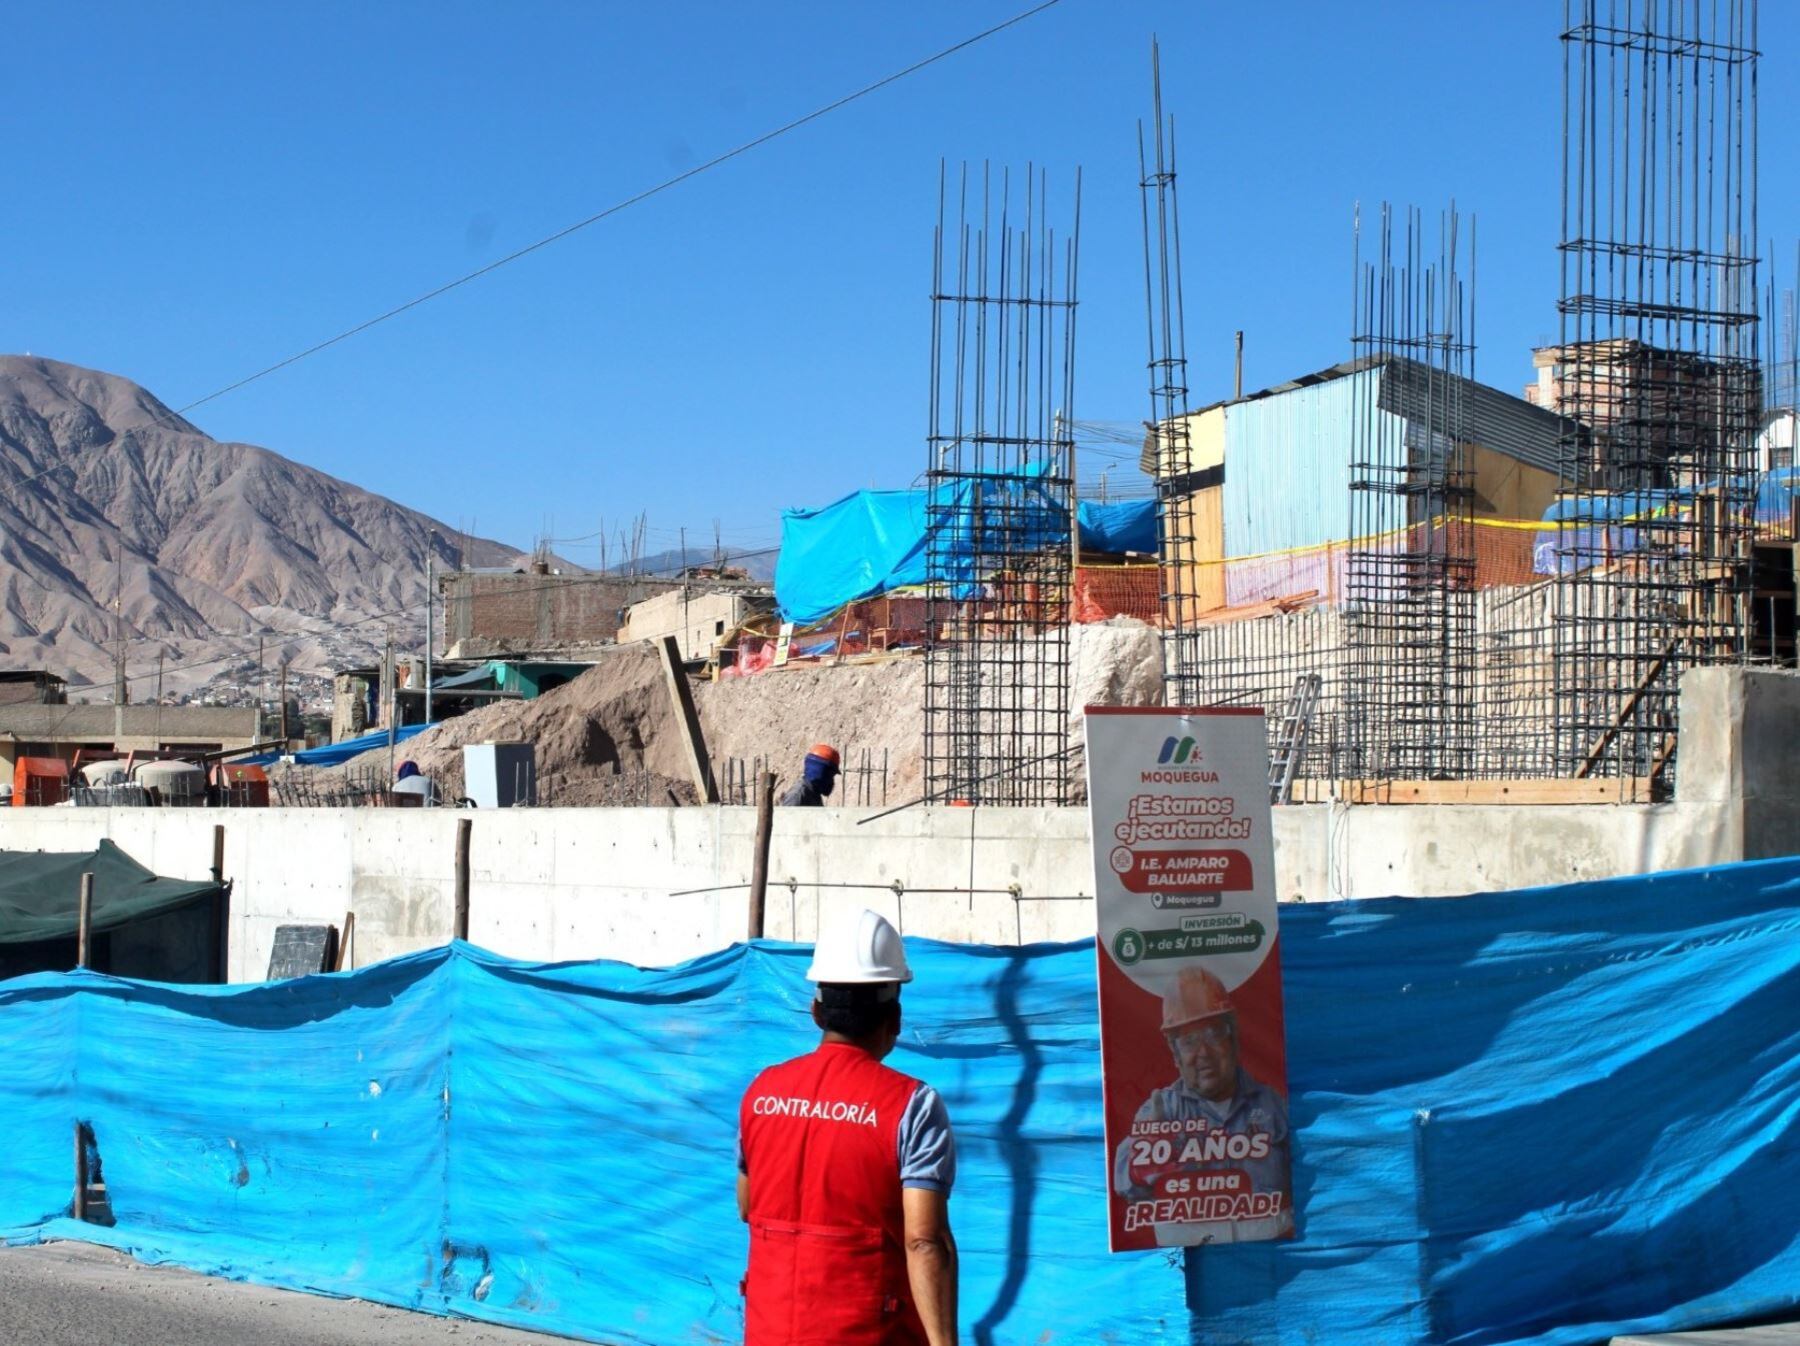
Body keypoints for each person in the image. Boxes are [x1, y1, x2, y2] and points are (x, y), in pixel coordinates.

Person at [738, 910, 958, 1345]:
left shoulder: (762, 1092)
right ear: (895, 1018)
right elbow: (924, 1241)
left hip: (768, 1329)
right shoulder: (913, 1106)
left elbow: (748, 1205)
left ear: (816, 1011)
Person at [1112, 965, 1292, 1245]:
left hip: (1271, 1258)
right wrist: (1143, 1162)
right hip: (1191, 1260)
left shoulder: (1274, 1105)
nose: (1203, 1052)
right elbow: (1122, 1182)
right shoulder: (1162, 1110)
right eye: (1189, 1041)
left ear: (1233, 1039)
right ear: (1175, 1054)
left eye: (1213, 1033)